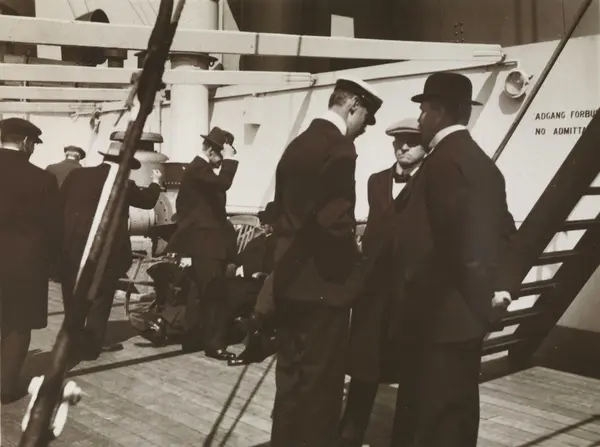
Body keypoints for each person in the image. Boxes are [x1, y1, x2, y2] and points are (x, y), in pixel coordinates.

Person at [361, 72, 514, 447]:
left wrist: (478, 299)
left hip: (434, 321)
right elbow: (505, 233)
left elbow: (460, 246)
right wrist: (498, 291)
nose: (420, 120)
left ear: (440, 112)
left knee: (429, 420)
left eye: (423, 112)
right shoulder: (482, 163)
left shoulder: (443, 163)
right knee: (455, 413)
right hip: (460, 322)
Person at [269, 76, 382, 447]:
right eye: (364, 119)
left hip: (289, 282)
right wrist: (357, 268)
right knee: (321, 382)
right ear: (353, 106)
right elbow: (334, 223)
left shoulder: (297, 144)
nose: (364, 128)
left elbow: (281, 212)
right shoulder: (340, 148)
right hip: (324, 287)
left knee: (290, 374)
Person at [338, 118, 427, 446]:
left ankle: (403, 438)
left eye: (411, 141)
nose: (403, 147)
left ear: (426, 146)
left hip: (410, 291)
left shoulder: (432, 183)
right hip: (373, 291)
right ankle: (350, 432)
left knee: (410, 369)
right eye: (398, 141)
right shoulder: (376, 181)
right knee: (365, 362)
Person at [60, 137, 162, 361]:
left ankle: (70, 342)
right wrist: (156, 182)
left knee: (74, 295)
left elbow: (60, 205)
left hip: (73, 248)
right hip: (106, 252)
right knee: (101, 298)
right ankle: (90, 347)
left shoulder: (77, 175)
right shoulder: (123, 184)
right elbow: (147, 201)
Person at [0, 118, 62, 403]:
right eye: (34, 144)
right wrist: (54, 264)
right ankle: (4, 387)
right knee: (17, 325)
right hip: (24, 266)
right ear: (25, 143)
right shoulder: (43, 179)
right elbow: (54, 228)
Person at [165, 126, 239, 360]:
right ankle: (214, 344)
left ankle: (193, 338)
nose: (221, 162)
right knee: (215, 293)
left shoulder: (199, 170)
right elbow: (224, 183)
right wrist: (231, 160)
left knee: (198, 292)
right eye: (221, 156)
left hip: (204, 242)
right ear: (211, 150)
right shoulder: (199, 169)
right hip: (206, 243)